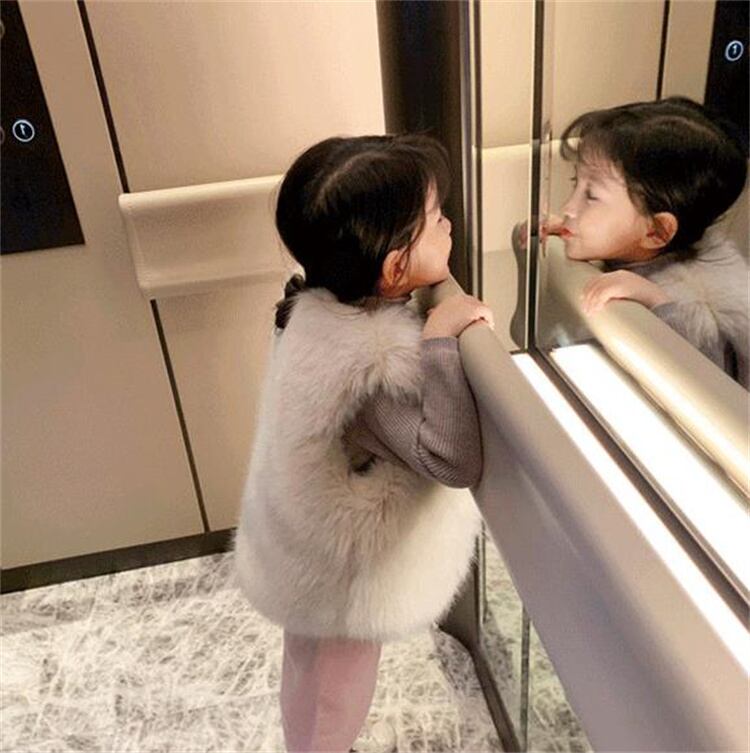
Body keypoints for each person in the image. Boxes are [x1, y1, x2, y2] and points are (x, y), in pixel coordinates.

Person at [231, 134, 494, 753]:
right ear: (396, 268)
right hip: (339, 579)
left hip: (303, 553)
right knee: (335, 689)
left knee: (309, 671)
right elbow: (452, 459)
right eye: (435, 217)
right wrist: (441, 341)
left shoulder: (316, 307)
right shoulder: (372, 374)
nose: (449, 224)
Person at [545, 96, 749, 387]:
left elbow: (710, 388)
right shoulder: (643, 246)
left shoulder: (698, 311)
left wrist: (655, 301)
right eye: (575, 183)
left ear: (656, 231)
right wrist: (564, 231)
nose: (568, 208)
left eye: (591, 196)